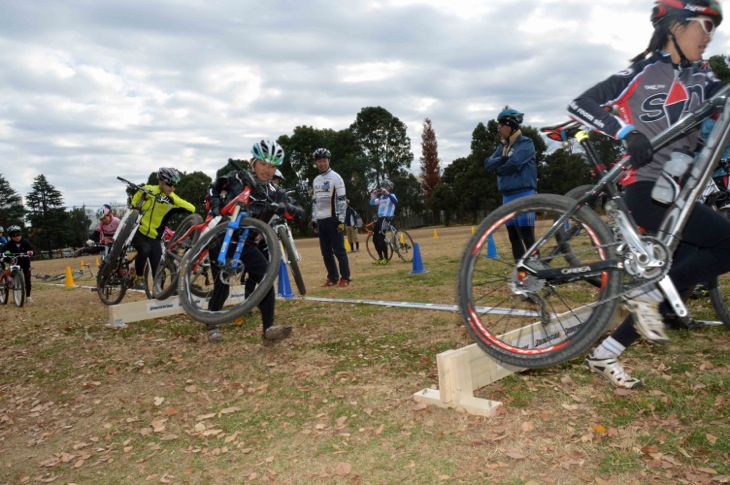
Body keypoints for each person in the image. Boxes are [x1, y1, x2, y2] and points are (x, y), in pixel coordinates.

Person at [567, 0, 730, 388]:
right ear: (675, 25)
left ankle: (605, 354)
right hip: (645, 187)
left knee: (680, 279)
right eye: (704, 26)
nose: (709, 37)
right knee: (723, 247)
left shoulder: (702, 77)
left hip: (680, 189)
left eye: (714, 29)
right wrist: (626, 133)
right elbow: (580, 104)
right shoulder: (642, 70)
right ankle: (645, 295)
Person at [205, 140, 304, 344]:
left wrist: (285, 207)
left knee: (266, 278)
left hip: (248, 244)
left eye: (273, 166)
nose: (267, 170)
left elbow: (299, 212)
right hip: (222, 238)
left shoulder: (274, 192)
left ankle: (268, 330)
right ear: (252, 162)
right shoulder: (237, 178)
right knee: (222, 285)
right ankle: (212, 323)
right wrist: (215, 210)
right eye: (263, 164)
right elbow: (213, 189)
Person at [484, 107, 538, 262]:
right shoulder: (503, 146)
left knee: (527, 237)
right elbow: (487, 164)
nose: (499, 129)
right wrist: (502, 160)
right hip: (507, 196)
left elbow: (514, 164)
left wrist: (498, 168)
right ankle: (521, 272)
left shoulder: (526, 143)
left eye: (501, 125)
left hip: (524, 194)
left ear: (511, 125)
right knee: (513, 238)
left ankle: (538, 270)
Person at [130, 167, 195, 289]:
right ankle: (139, 278)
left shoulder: (172, 198)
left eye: (175, 185)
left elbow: (192, 208)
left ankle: (157, 295)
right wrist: (139, 202)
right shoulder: (149, 189)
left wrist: (172, 199)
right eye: (169, 184)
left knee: (160, 272)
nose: (172, 188)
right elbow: (134, 201)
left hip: (155, 238)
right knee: (144, 249)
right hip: (138, 232)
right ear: (160, 181)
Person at [311, 147, 351, 287]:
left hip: (334, 219)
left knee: (339, 250)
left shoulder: (336, 178)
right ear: (316, 163)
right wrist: (314, 220)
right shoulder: (316, 180)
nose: (322, 163)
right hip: (321, 220)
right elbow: (314, 201)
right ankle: (333, 278)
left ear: (329, 161)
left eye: (324, 160)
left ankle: (345, 278)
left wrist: (341, 221)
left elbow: (341, 200)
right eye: (319, 161)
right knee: (326, 252)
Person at [0, 225, 36, 303]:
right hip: (14, 261)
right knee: (12, 276)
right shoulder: (8, 244)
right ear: (10, 236)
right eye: (14, 235)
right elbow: (3, 250)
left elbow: (33, 249)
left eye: (18, 234)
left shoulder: (25, 242)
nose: (17, 237)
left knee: (27, 278)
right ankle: (10, 282)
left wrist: (31, 252)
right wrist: (4, 253)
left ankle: (28, 296)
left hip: (25, 262)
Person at [369, 181, 398, 264]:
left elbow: (395, 202)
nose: (382, 188)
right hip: (380, 218)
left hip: (387, 217)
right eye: (381, 187)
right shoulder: (381, 197)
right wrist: (373, 195)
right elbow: (372, 203)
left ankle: (386, 258)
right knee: (375, 239)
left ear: (388, 188)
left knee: (381, 237)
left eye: (384, 187)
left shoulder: (391, 195)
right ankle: (380, 258)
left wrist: (388, 193)